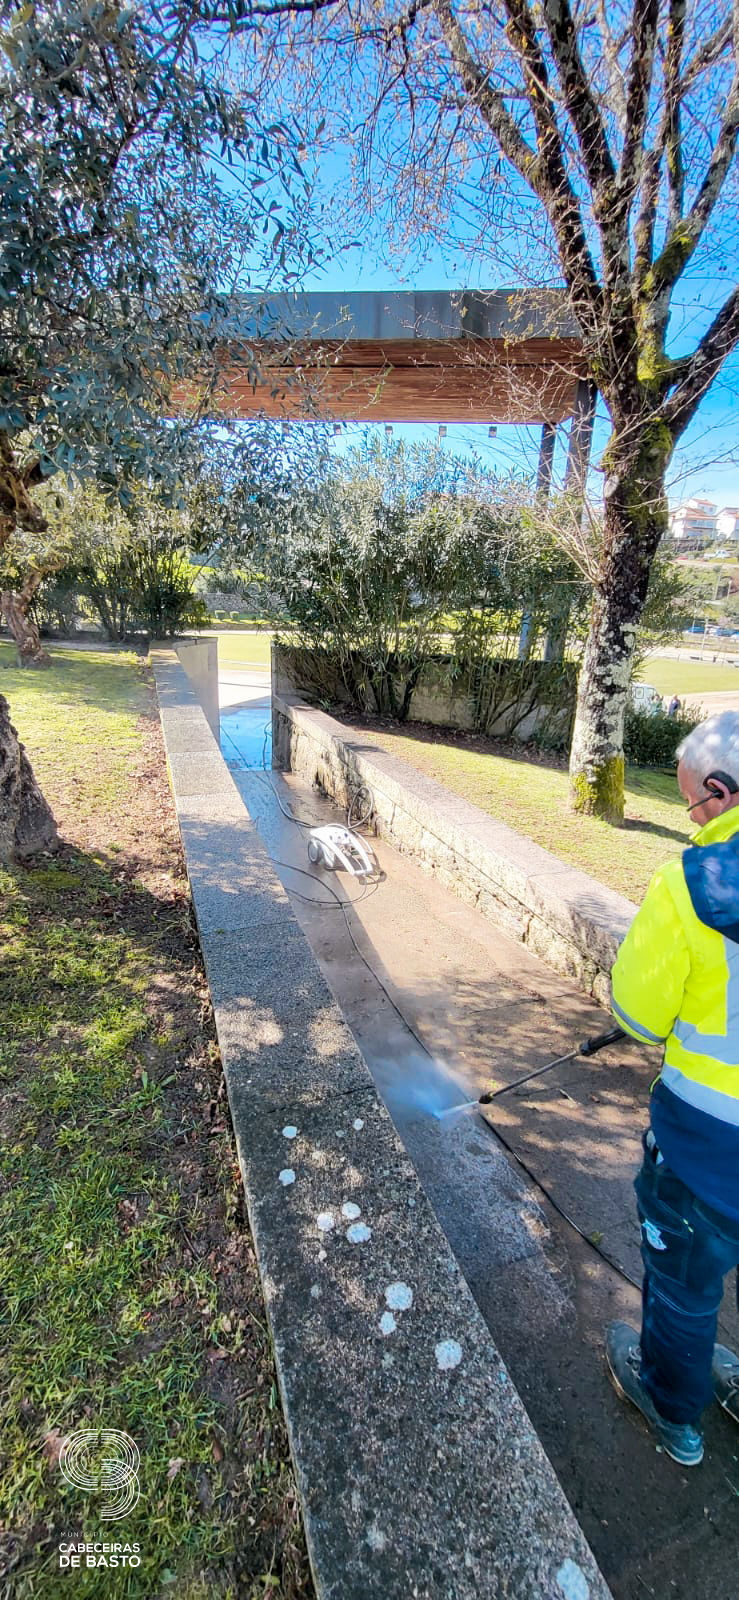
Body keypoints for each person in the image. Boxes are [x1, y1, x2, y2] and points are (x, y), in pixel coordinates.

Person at [607, 710, 739, 1467]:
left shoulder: (691, 885)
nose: (690, 821)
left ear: (717, 794)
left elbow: (635, 1013)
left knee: (686, 1282)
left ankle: (670, 1405)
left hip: (707, 1146)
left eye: (689, 805)